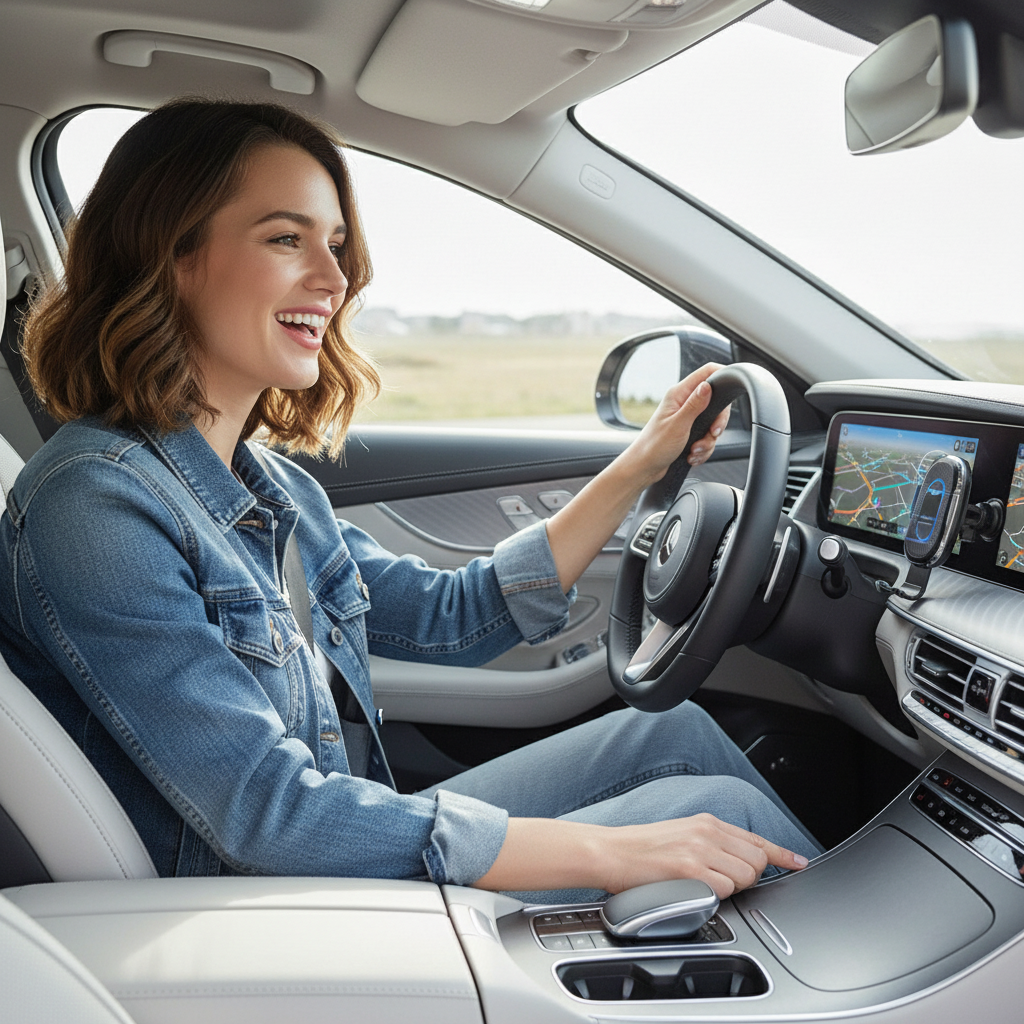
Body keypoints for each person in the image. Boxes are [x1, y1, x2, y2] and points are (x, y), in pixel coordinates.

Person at [0, 99, 820, 902]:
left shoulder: (273, 489)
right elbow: (265, 816)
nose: (335, 279)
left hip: (323, 849)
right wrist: (608, 852)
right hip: (254, 908)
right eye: (286, 239)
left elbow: (453, 617)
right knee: (720, 811)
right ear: (167, 256)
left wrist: (642, 464)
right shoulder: (94, 507)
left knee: (673, 732)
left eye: (336, 245)